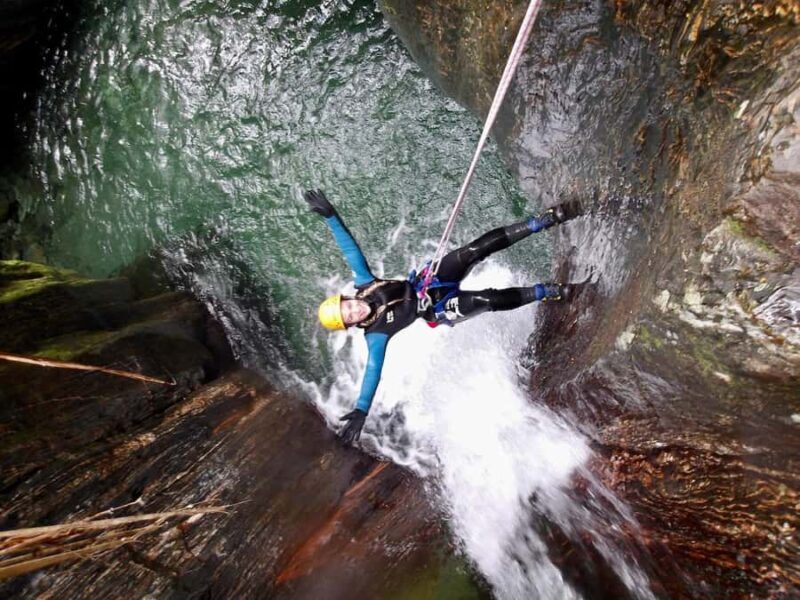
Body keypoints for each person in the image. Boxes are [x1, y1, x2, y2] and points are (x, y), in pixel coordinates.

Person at [304, 189, 578, 444]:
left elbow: (350, 249)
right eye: (349, 316)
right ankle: (546, 291)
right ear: (351, 324)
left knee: (475, 250)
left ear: (349, 298)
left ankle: (539, 222)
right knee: (487, 299)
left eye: (348, 306)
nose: (354, 310)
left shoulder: (366, 284)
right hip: (439, 308)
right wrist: (361, 409)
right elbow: (373, 372)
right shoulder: (376, 335)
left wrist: (331, 216)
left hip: (430, 279)